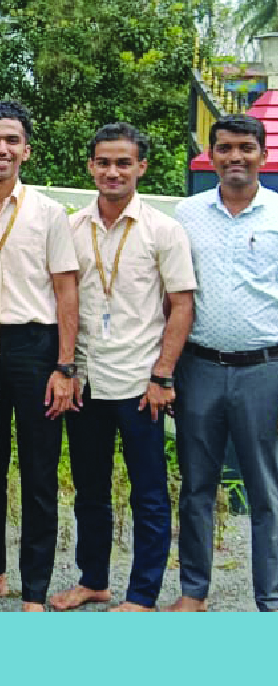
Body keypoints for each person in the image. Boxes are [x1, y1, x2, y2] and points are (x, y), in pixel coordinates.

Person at [49, 123, 194, 612]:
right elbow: (62, 300)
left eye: (123, 163)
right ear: (90, 166)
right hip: (86, 380)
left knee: (148, 494)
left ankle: (143, 594)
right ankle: (93, 580)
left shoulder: (163, 230)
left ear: (141, 167)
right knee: (90, 491)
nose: (113, 172)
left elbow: (182, 306)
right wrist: (67, 369)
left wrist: (162, 376)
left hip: (140, 382)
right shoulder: (70, 227)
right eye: (104, 162)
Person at [0, 102, 81, 612]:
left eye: (11, 140)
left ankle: (37, 588)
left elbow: (65, 292)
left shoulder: (47, 213)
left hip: (34, 346)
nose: (0, 148)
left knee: (40, 472)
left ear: (26, 150)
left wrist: (64, 366)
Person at [170, 113, 278, 612]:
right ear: (210, 155)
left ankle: (270, 599)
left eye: (246, 148)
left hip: (264, 370)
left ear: (263, 155)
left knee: (266, 489)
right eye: (226, 148)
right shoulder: (186, 215)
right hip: (200, 368)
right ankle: (193, 592)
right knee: (196, 487)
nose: (236, 157)